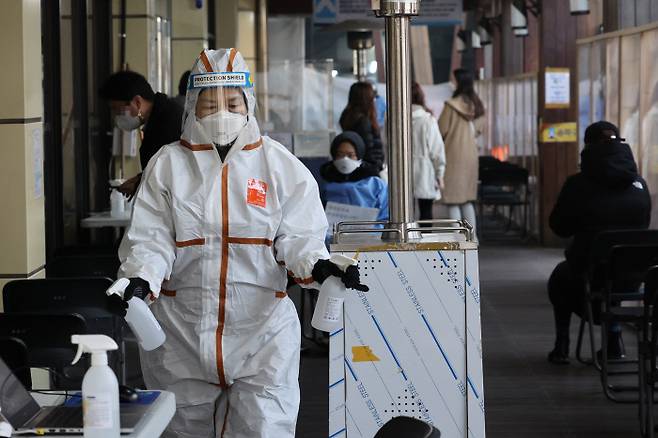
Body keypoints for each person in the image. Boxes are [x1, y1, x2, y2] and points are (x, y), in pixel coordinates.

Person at [107, 48, 368, 438]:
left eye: (232, 102)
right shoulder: (167, 165)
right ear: (193, 106)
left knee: (265, 429)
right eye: (210, 104)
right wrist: (140, 278)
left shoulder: (280, 166)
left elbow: (298, 236)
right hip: (181, 334)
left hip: (261, 334)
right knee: (181, 431)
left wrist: (318, 265)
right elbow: (151, 239)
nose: (222, 113)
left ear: (249, 103)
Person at [547, 121, 651, 364]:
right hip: (632, 279)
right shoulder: (640, 185)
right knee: (614, 277)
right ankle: (614, 340)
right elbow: (643, 227)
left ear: (588, 146)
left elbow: (559, 227)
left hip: (587, 275)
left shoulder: (577, 185)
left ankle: (562, 345)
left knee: (559, 278)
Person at [99, 70, 183, 197]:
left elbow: (170, 174)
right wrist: (140, 179)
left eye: (118, 110)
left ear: (137, 102)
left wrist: (139, 184)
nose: (116, 117)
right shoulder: (159, 117)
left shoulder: (168, 122)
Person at [438, 68, 484, 236]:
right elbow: (479, 129)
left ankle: (458, 241)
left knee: (453, 201)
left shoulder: (451, 106)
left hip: (453, 155)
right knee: (467, 200)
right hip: (471, 156)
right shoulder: (477, 105)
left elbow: (441, 130)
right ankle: (473, 240)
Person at [320, 131, 388, 224]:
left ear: (359, 155)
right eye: (340, 154)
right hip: (335, 237)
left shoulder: (375, 184)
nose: (345, 159)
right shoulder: (324, 183)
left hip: (370, 237)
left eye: (350, 155)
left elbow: (385, 216)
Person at [411, 82, 446, 224]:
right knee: (426, 213)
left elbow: (385, 144)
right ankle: (425, 244)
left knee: (401, 214)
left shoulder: (392, 118)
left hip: (399, 174)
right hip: (424, 173)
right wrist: (440, 174)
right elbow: (437, 151)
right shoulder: (428, 120)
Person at [339, 81, 385, 174]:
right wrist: (377, 166)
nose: (375, 100)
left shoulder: (348, 117)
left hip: (355, 169)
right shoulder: (364, 122)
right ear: (367, 99)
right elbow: (369, 152)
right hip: (368, 171)